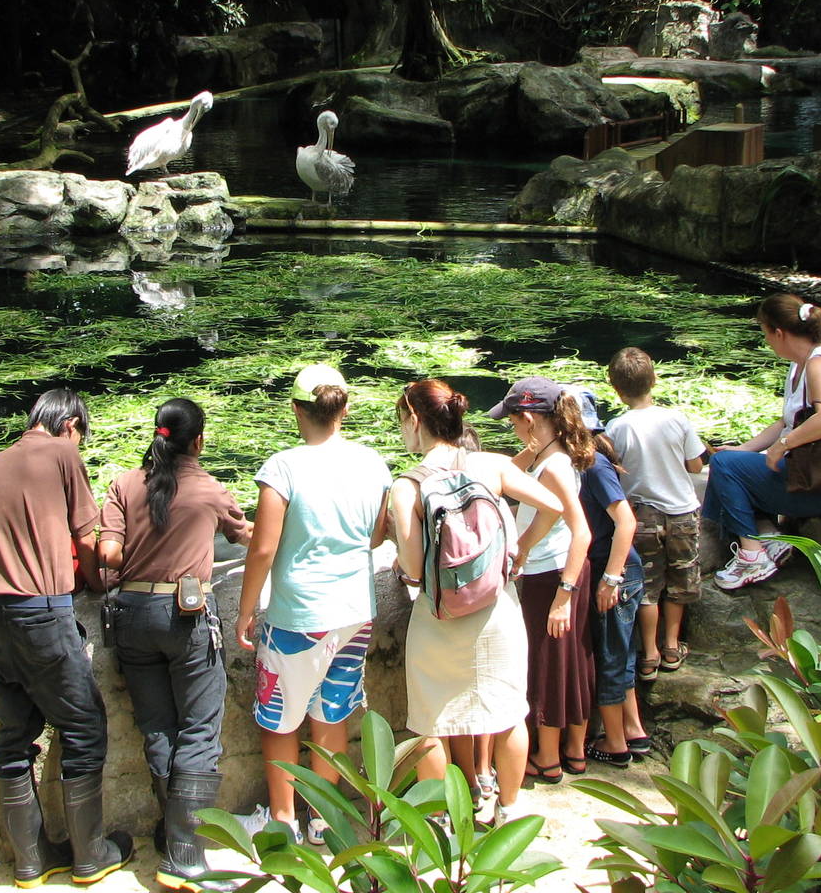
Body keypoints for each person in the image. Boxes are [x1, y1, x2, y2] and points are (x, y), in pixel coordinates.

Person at [0, 388, 133, 889]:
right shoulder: (64, 453)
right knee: (85, 726)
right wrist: (97, 580)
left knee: (14, 736)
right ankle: (91, 854)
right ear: (70, 426)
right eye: (82, 434)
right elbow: (88, 537)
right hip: (42, 614)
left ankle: (31, 861)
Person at [389, 378, 564, 826]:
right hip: (497, 611)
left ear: (414, 420)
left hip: (438, 617)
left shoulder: (406, 486)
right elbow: (555, 506)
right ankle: (507, 811)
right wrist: (521, 548)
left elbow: (411, 568)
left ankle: (441, 820)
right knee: (508, 715)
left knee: (431, 723)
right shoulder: (494, 464)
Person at [234, 364, 393, 843]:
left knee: (279, 716)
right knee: (333, 712)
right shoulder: (373, 463)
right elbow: (377, 535)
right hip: (354, 611)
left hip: (299, 614)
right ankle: (324, 821)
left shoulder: (283, 467)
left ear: (296, 410)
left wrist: (245, 610)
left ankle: (283, 821)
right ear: (344, 408)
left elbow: (263, 547)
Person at [99, 398, 252, 890]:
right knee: (200, 731)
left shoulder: (123, 484)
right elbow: (247, 536)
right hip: (186, 619)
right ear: (199, 441)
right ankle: (186, 859)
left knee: (158, 727)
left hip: (130, 618)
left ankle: (171, 837)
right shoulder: (209, 489)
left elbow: (109, 550)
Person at [704, 294, 821, 590]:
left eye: (766, 332)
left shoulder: (819, 363)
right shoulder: (800, 364)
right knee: (730, 464)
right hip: (818, 475)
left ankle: (752, 556)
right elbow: (787, 420)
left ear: (779, 333)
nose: (767, 341)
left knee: (722, 467)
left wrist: (782, 445)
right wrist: (745, 450)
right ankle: (769, 536)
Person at [485, 377, 594, 783]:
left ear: (529, 418)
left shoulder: (555, 467)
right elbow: (538, 511)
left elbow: (581, 530)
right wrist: (525, 547)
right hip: (554, 567)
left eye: (514, 420)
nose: (510, 427)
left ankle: (547, 758)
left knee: (549, 664)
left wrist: (563, 595)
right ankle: (574, 752)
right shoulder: (549, 458)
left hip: (556, 576)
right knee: (571, 660)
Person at [604, 348, 706, 677]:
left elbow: (615, 471)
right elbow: (696, 465)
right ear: (654, 380)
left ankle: (648, 654)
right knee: (680, 581)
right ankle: (673, 647)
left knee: (648, 586)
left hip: (642, 517)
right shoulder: (676, 419)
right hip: (681, 513)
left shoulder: (616, 427)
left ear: (616, 387)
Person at [564, 386, 650, 767]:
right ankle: (634, 731)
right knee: (624, 652)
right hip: (617, 570)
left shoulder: (593, 465)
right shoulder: (587, 460)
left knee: (612, 656)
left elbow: (625, 521)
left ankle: (615, 744)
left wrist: (610, 578)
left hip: (616, 571)